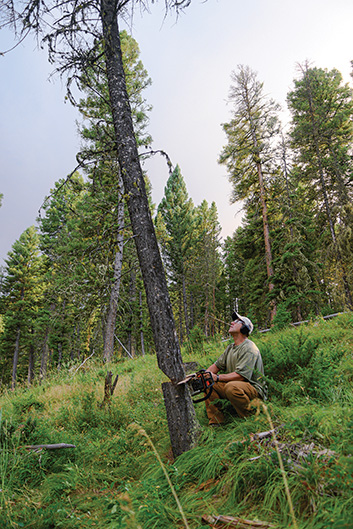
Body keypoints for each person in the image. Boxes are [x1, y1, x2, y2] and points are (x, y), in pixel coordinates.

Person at [205, 312, 267, 426]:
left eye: (237, 321)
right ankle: (216, 421)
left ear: (244, 328)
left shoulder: (249, 348)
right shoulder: (230, 348)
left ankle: (250, 418)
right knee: (207, 383)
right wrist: (204, 375)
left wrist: (217, 377)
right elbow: (216, 366)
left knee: (231, 387)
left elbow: (241, 376)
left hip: (252, 388)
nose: (232, 322)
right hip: (234, 386)